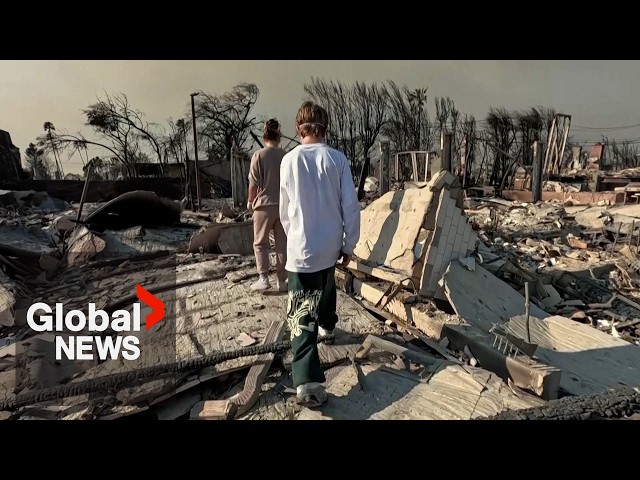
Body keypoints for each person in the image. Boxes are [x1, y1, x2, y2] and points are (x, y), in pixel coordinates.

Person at [279, 101, 361, 407]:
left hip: (302, 245)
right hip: (330, 244)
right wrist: (348, 244)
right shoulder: (337, 159)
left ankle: (308, 383)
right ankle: (328, 326)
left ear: (299, 128)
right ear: (324, 127)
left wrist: (295, 238)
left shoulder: (288, 161)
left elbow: (284, 211)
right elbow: (350, 207)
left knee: (301, 312)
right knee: (326, 284)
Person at [247, 118, 288, 292]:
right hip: (283, 206)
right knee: (282, 245)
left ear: (264, 135)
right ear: (279, 136)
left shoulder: (258, 155)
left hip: (263, 205)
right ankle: (282, 281)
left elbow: (253, 184)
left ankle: (263, 278)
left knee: (260, 243)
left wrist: (250, 201)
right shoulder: (286, 156)